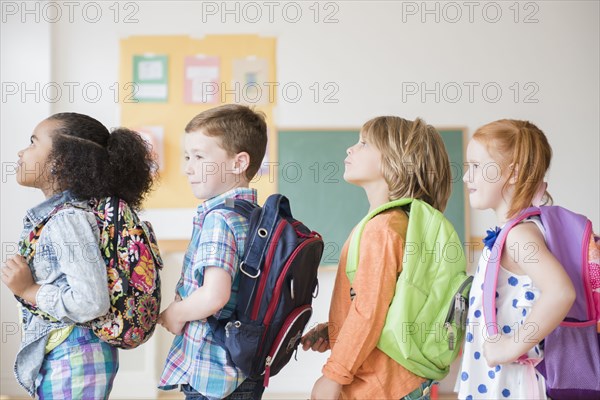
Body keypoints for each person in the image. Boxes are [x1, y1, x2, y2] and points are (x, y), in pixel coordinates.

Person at [1, 112, 155, 399]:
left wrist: (29, 290)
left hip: (75, 356)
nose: (21, 152)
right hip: (74, 354)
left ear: (59, 161)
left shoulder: (66, 220)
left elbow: (90, 301)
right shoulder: (66, 216)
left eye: (33, 143)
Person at [302, 116, 452, 399]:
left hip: (381, 385)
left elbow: (368, 312)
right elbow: (385, 306)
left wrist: (333, 376)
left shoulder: (380, 229)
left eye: (364, 143)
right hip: (400, 380)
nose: (350, 149)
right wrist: (335, 329)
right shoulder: (402, 222)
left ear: (396, 161)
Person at [456, 119, 576, 399]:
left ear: (512, 174)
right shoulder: (516, 230)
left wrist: (510, 347)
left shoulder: (519, 236)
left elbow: (560, 291)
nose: (465, 176)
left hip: (510, 385)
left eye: (475, 166)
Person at [158, 104, 268, 400]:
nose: (188, 167)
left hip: (212, 373)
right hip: (243, 366)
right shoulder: (255, 217)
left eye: (199, 156)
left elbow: (214, 296)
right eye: (186, 157)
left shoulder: (220, 219)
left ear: (238, 162)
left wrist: (175, 313)